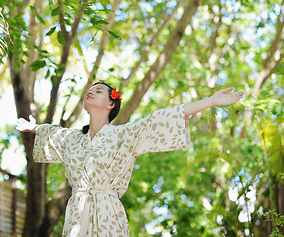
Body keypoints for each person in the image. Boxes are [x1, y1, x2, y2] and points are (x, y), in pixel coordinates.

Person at [16, 82, 244, 237]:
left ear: (111, 103)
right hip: (77, 212)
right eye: (90, 90)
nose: (91, 92)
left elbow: (162, 118)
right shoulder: (74, 139)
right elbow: (52, 133)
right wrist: (33, 127)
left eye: (98, 91)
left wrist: (210, 102)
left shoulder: (124, 134)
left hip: (108, 211)